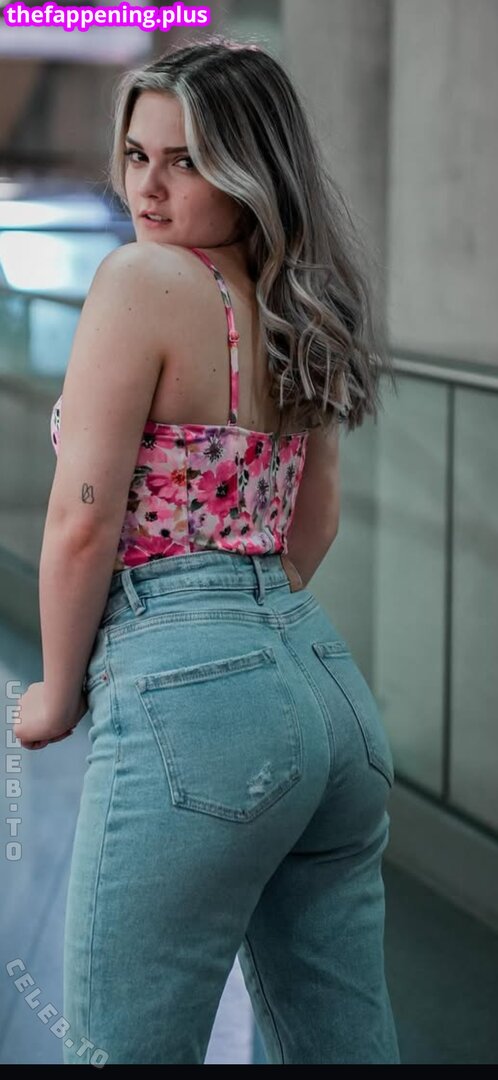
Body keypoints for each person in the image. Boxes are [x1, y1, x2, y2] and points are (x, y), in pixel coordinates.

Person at [18, 38, 400, 1065]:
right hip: (324, 686)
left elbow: (82, 520)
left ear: (249, 168)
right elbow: (315, 518)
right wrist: (250, 625)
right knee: (342, 1043)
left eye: (185, 161)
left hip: (192, 692)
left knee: (123, 1047)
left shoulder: (141, 279)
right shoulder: (295, 296)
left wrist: (55, 689)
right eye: (136, 155)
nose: (148, 187)